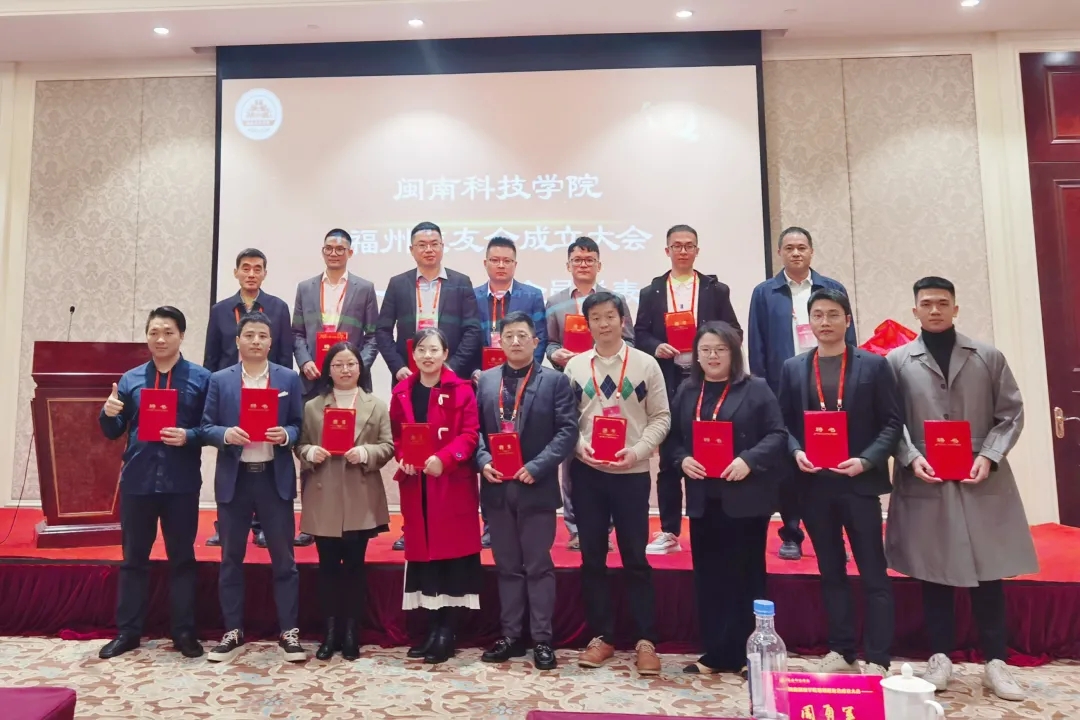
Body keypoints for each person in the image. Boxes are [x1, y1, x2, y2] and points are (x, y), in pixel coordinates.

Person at [885, 276, 1037, 701]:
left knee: (988, 572)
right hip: (927, 476)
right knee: (934, 569)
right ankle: (939, 658)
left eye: (942, 303)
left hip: (980, 475)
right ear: (914, 310)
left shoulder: (987, 357)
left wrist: (989, 455)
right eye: (926, 303)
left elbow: (1011, 413)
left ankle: (996, 663)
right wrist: (911, 457)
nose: (934, 310)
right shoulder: (897, 361)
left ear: (955, 308)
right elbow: (890, 420)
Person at [777, 289, 902, 677]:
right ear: (809, 322)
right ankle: (842, 650)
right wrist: (795, 451)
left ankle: (878, 658)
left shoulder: (874, 366)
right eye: (818, 315)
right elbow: (782, 424)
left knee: (873, 573)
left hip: (858, 484)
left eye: (833, 314)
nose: (825, 322)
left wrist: (866, 460)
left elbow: (892, 422)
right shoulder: (793, 367)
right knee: (831, 571)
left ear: (847, 320)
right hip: (814, 486)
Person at [665, 322, 786, 675]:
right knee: (709, 575)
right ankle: (716, 653)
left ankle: (751, 655)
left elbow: (778, 434)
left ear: (733, 353)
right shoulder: (688, 390)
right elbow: (672, 439)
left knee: (746, 575)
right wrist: (682, 459)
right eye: (705, 350)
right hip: (704, 498)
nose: (712, 356)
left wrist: (748, 460)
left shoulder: (756, 388)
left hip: (745, 498)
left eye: (720, 349)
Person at [565, 292, 670, 675]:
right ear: (587, 324)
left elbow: (661, 417)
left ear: (622, 319)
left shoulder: (645, 364)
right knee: (592, 557)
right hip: (587, 473)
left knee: (635, 558)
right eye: (595, 317)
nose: (604, 323)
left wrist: (638, 451)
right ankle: (602, 636)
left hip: (631, 474)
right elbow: (566, 420)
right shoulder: (575, 367)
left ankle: (645, 640)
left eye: (610, 316)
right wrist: (580, 447)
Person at [97, 306, 210, 660]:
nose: (160, 339)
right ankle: (128, 632)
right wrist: (108, 414)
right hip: (138, 480)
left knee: (182, 559)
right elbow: (114, 430)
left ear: (181, 336)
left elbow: (210, 428)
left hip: (181, 482)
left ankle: (184, 632)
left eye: (168, 332)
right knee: (133, 559)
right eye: (154, 332)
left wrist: (189, 436)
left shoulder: (201, 379)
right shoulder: (130, 379)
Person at [201, 311, 307, 664]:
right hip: (236, 479)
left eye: (262, 335)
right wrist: (225, 434)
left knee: (284, 560)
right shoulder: (220, 380)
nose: (256, 341)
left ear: (271, 341)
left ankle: (289, 632)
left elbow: (299, 425)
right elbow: (206, 426)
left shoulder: (288, 378)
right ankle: (233, 630)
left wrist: (286, 435)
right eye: (249, 335)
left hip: (273, 479)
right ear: (238, 341)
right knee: (231, 558)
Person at [476, 311, 578, 671]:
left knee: (537, 566)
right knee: (506, 566)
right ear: (499, 342)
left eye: (522, 335)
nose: (515, 342)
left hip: (536, 486)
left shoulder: (555, 382)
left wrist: (537, 467)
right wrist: (483, 460)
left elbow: (567, 431)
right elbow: (474, 430)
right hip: (497, 486)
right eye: (509, 336)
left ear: (536, 341)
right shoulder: (486, 381)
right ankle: (510, 636)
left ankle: (542, 639)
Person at [748, 226, 856, 561]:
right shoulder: (765, 293)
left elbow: (849, 336)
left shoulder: (831, 288)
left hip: (830, 383)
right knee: (788, 462)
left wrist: (850, 379)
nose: (796, 253)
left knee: (833, 459)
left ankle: (836, 533)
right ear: (780, 252)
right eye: (790, 248)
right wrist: (763, 391)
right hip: (786, 385)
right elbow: (757, 344)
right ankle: (792, 533)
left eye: (802, 247)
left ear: (811, 251)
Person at [635, 224, 742, 556]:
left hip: (706, 381)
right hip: (668, 380)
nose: (683, 251)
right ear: (667, 251)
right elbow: (640, 334)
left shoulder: (715, 289)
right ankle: (669, 530)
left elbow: (735, 331)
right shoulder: (651, 291)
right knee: (670, 456)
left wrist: (709, 342)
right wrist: (657, 346)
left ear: (697, 250)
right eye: (677, 246)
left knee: (711, 449)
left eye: (689, 245)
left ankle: (716, 521)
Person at [376, 221, 483, 552]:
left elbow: (473, 330)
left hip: (448, 384)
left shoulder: (461, 283)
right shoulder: (398, 284)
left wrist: (449, 368)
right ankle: (412, 526)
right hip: (411, 384)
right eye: (421, 244)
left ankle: (446, 524)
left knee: (446, 452)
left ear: (442, 247)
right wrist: (398, 367)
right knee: (413, 450)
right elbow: (383, 331)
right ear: (412, 250)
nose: (428, 249)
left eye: (434, 243)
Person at [295, 341, 394, 661]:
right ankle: (329, 634)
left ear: (360, 368)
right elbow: (300, 444)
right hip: (324, 495)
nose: (345, 369)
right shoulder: (313, 406)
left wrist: (365, 452)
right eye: (338, 364)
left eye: (351, 364)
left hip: (359, 496)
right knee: (327, 569)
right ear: (328, 370)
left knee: (354, 568)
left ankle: (351, 634)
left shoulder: (376, 405)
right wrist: (310, 452)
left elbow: (388, 446)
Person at [389, 327, 482, 664]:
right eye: (421, 350)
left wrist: (445, 459)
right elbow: (397, 435)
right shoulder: (402, 391)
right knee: (425, 556)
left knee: (452, 556)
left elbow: (470, 435)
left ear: (445, 354)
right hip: (417, 485)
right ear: (413, 355)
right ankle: (431, 628)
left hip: (450, 482)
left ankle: (447, 631)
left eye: (434, 350)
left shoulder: (462, 390)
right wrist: (404, 457)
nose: (427, 356)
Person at [545, 236, 632, 551]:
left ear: (599, 264)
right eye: (577, 260)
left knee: (608, 448)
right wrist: (555, 354)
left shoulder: (615, 300)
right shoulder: (555, 302)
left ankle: (605, 529)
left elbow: (630, 340)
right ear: (568, 265)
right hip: (571, 384)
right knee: (572, 453)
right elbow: (549, 343)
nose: (583, 265)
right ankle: (575, 527)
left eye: (589, 259)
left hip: (610, 384)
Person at [204, 248, 292, 549]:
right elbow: (211, 357)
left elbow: (284, 356)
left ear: (265, 273)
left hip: (267, 391)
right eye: (245, 268)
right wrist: (212, 396)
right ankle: (226, 525)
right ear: (236, 272)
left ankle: (262, 525)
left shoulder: (278, 308)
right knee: (232, 456)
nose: (251, 274)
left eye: (257, 268)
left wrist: (282, 395)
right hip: (230, 393)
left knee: (264, 455)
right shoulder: (221, 310)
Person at [472, 236, 548, 549]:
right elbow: (467, 338)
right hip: (485, 385)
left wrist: (527, 373)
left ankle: (525, 518)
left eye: (507, 260)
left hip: (523, 383)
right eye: (495, 260)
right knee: (490, 448)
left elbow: (540, 339)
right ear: (486, 263)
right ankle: (491, 524)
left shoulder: (532, 295)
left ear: (515, 264)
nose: (501, 265)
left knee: (523, 445)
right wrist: (475, 373)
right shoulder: (472, 296)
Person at [292, 228, 379, 397]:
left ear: (350, 253)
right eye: (329, 248)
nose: (333, 253)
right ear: (323, 252)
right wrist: (305, 361)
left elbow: (373, 335)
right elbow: (297, 333)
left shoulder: (364, 289)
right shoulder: (305, 288)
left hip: (352, 379)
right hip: (313, 376)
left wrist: (358, 366)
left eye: (340, 249)